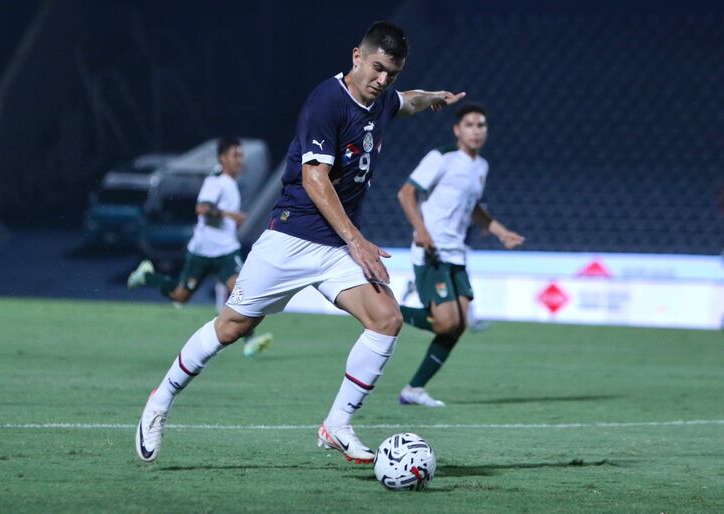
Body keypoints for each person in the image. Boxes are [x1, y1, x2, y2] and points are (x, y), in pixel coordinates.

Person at [135, 21, 465, 464]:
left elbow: (405, 103)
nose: (384, 80)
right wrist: (358, 240)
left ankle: (338, 425)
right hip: (293, 236)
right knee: (232, 327)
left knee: (386, 318)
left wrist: (434, 99)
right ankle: (160, 401)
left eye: (393, 73)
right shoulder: (327, 101)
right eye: (378, 68)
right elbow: (314, 178)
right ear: (356, 57)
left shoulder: (382, 99)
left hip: (337, 248)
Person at [396, 102, 524, 407]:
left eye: (481, 125)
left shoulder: (481, 167)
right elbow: (406, 193)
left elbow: (474, 209)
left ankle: (413, 390)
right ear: (457, 130)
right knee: (445, 323)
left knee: (460, 323)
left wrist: (500, 231)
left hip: (456, 254)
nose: (476, 130)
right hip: (432, 250)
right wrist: (422, 230)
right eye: (470, 125)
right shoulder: (442, 158)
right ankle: (389, 311)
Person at [127, 137, 273, 358]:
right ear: (222, 158)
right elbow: (202, 208)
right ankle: (147, 276)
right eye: (235, 155)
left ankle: (250, 342)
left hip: (226, 252)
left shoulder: (231, 183)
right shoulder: (216, 181)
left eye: (241, 155)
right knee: (180, 296)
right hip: (202, 252)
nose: (239, 160)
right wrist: (230, 215)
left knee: (242, 290)